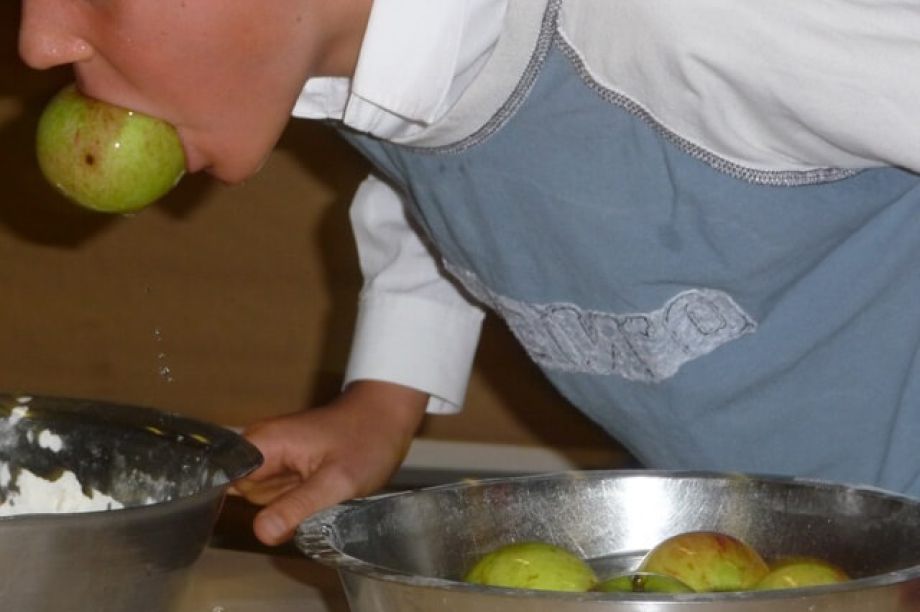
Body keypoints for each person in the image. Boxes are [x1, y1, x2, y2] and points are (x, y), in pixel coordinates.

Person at [18, 0, 920, 547]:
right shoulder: (370, 66)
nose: (38, 42)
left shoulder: (695, 25)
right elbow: (458, 176)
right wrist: (386, 398)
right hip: (786, 551)